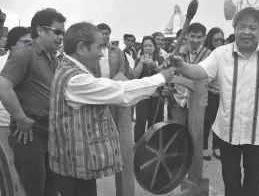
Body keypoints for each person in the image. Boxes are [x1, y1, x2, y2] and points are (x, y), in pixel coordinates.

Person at [165, 7, 259, 196]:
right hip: (227, 132)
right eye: (241, 26)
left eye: (252, 27)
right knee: (230, 180)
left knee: (254, 181)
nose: (246, 32)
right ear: (234, 28)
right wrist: (182, 66)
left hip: (258, 132)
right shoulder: (221, 54)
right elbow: (199, 72)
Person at [48, 22, 174, 196]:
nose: (101, 54)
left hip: (73, 164)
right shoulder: (76, 80)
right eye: (98, 48)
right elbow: (120, 91)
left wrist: (155, 89)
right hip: (74, 168)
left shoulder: (68, 69)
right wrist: (161, 77)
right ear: (82, 48)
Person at [0, 8, 66, 196]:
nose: (61, 37)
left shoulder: (52, 58)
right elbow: (3, 86)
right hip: (30, 134)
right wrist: (21, 118)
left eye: (63, 32)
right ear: (41, 30)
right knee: (33, 188)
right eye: (57, 32)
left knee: (51, 187)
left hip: (49, 132)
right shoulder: (24, 53)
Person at [168, 22, 211, 128]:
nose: (195, 40)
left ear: (204, 37)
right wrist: (175, 52)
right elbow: (167, 71)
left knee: (196, 137)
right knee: (178, 134)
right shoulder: (178, 52)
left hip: (199, 101)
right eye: (192, 36)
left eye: (199, 37)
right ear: (186, 35)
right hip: (179, 99)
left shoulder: (209, 54)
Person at [133, 36, 165, 147]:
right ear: (142, 47)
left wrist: (153, 65)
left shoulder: (160, 59)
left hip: (157, 95)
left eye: (150, 45)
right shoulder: (139, 59)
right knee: (140, 120)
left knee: (155, 120)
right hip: (142, 95)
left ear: (154, 46)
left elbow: (163, 72)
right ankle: (138, 143)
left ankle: (152, 142)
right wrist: (142, 62)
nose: (147, 48)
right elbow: (135, 76)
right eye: (145, 45)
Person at [202, 27, 225, 160]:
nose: (219, 42)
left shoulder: (225, 52)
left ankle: (217, 147)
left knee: (220, 120)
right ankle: (204, 147)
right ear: (210, 40)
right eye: (216, 40)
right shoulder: (207, 53)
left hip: (222, 92)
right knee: (208, 120)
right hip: (209, 92)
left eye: (221, 40)